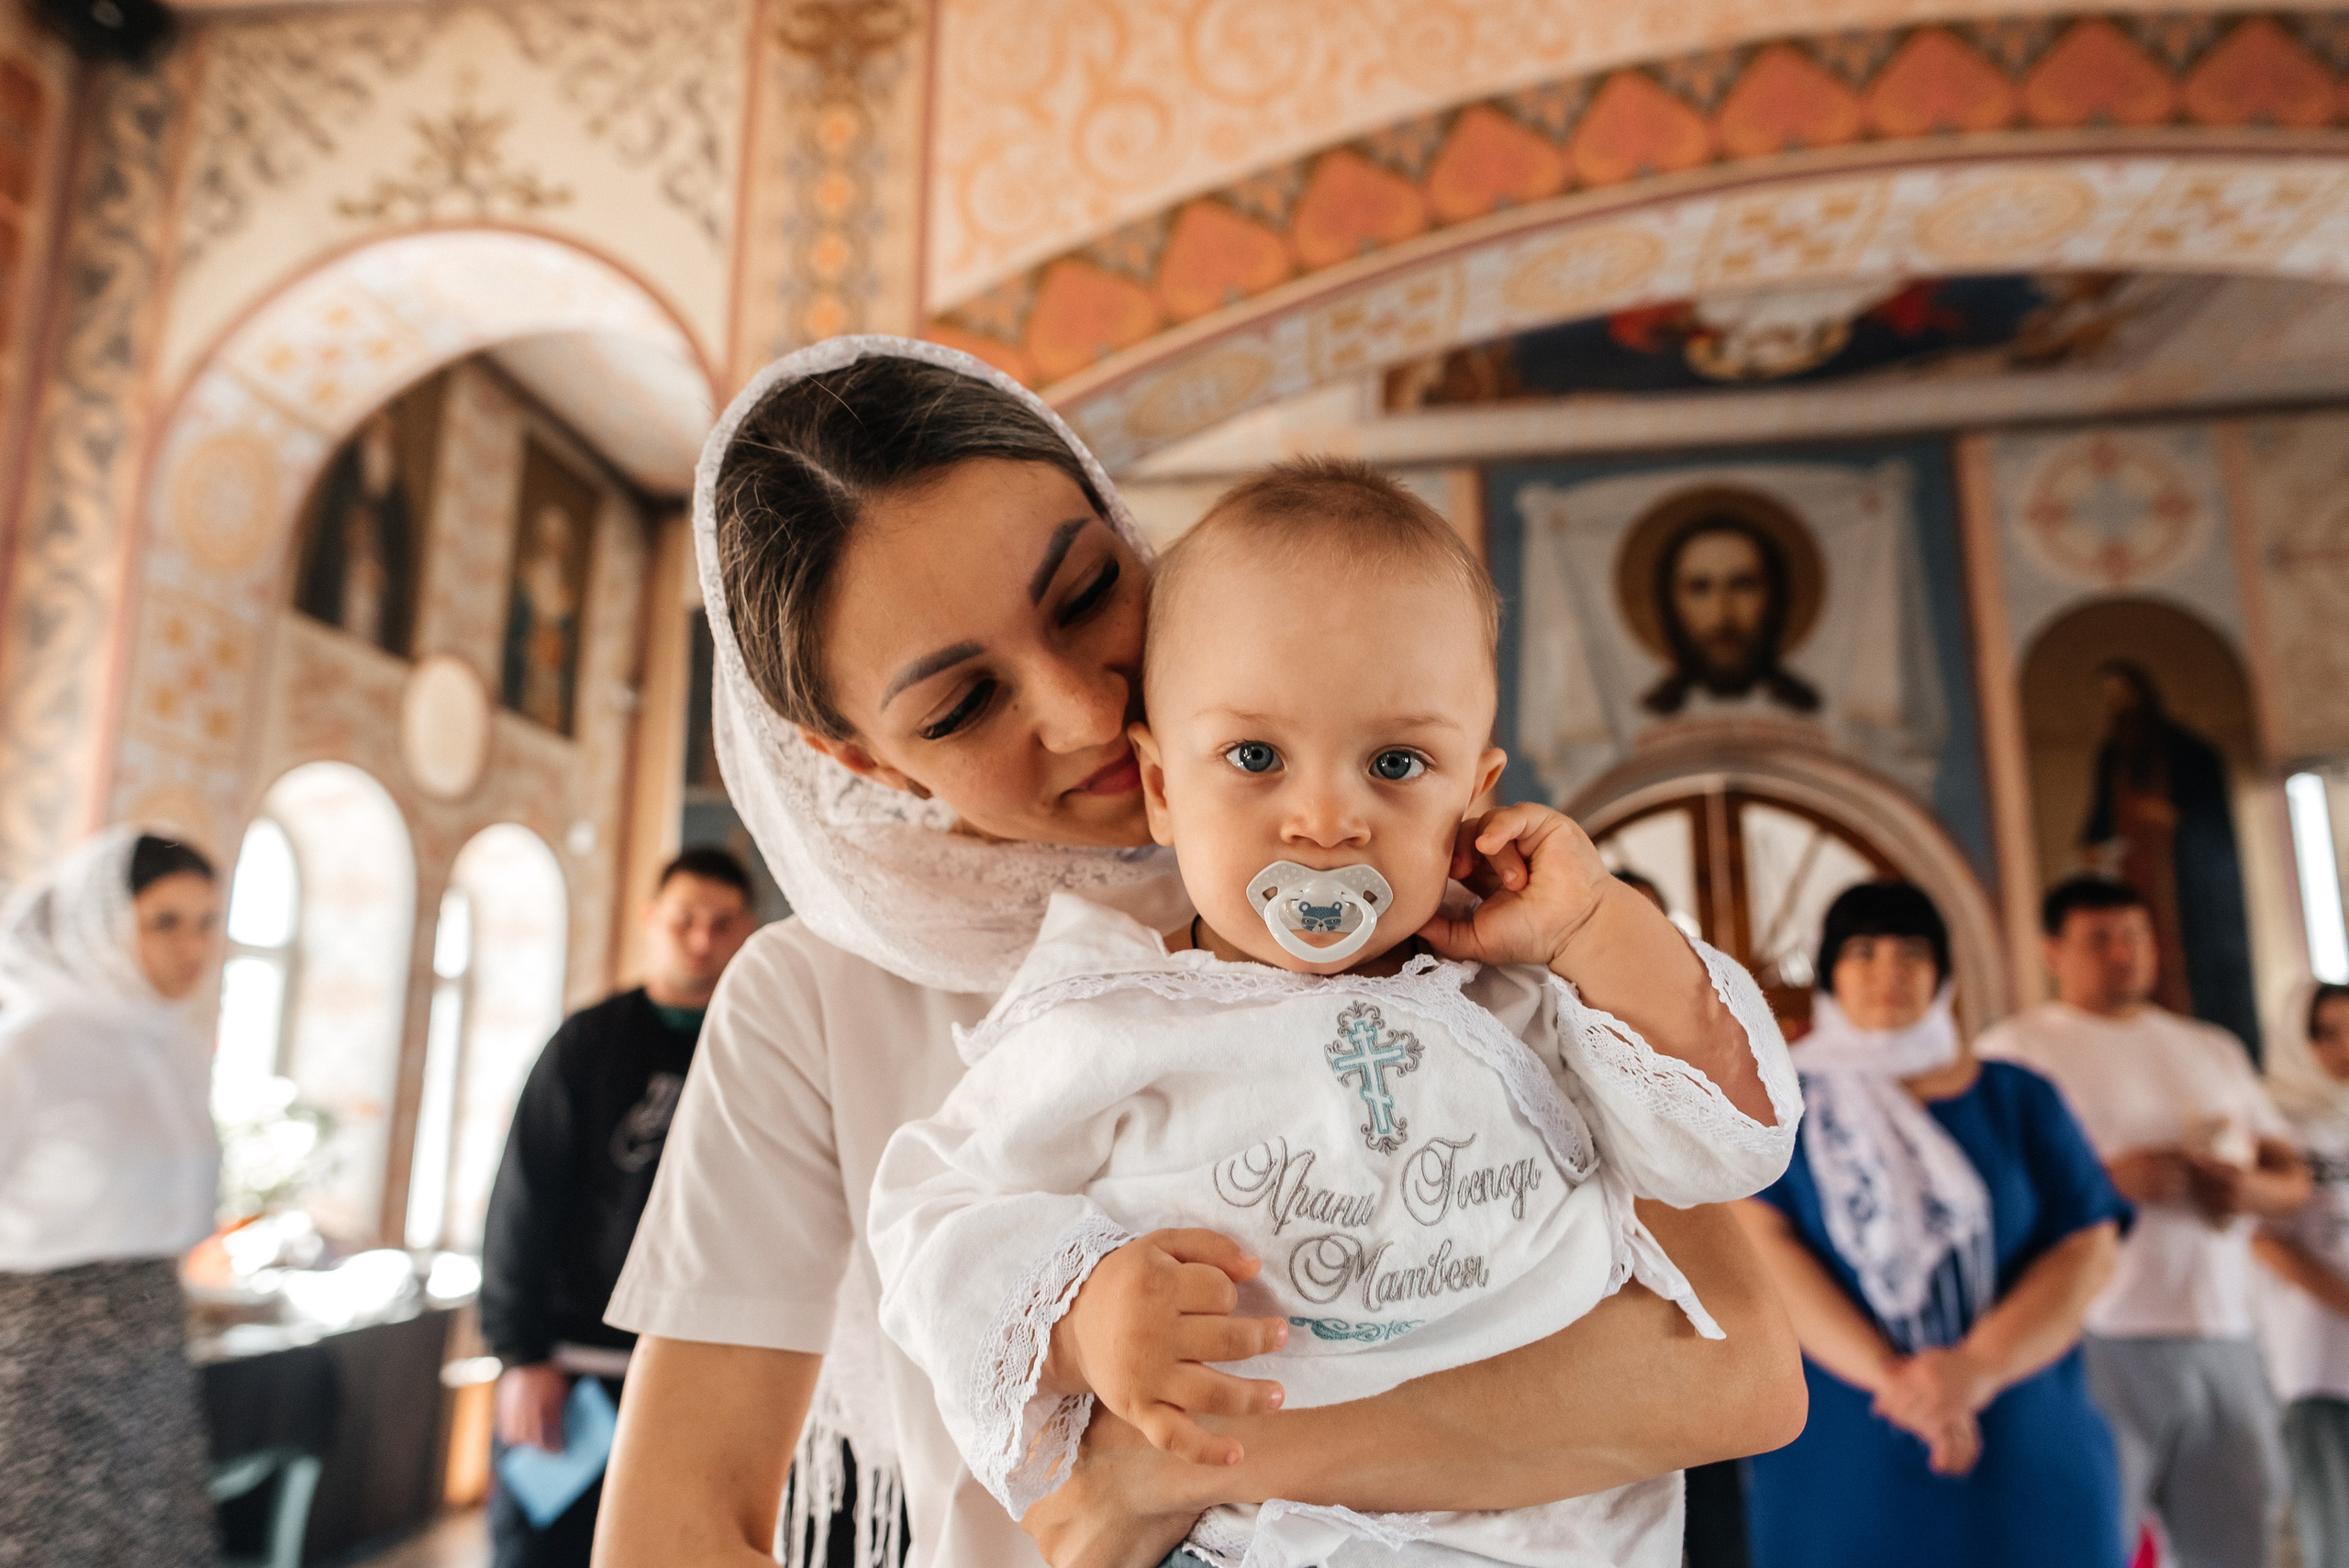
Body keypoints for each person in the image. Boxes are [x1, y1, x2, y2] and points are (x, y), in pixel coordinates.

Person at [596, 339, 1807, 1568]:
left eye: (1083, 592)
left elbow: (1740, 1371)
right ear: (863, 758)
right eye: (962, 704)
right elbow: (668, 1535)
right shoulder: (815, 1005)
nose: (1080, 713)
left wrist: (1165, 1467)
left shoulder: (1451, 899)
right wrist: (1075, 1322)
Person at [870, 462, 1797, 1566]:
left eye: (1395, 762)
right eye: (1255, 756)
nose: (1323, 818)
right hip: (1251, 1546)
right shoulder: (1107, 1013)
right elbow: (933, 1217)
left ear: (1475, 790)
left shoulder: (1526, 994)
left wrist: (1597, 924)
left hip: (1547, 1538)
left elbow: (1728, 1138)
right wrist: (1079, 1311)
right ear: (1163, 788)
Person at [1735, 881, 2129, 1568]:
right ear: (1829, 973)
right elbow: (1764, 1249)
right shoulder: (1780, 1105)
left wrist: (1975, 1368)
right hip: (1847, 1445)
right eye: (1863, 951)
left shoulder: (2017, 1094)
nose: (1889, 970)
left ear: (1943, 973)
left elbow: (2086, 1244)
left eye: (1912, 951)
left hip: (2021, 1424)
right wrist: (1905, 1385)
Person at [1976, 874, 2309, 1568]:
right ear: (2053, 951)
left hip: (2223, 1329)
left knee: (2239, 1541)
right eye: (2100, 938)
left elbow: (2292, 1182)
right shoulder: (2017, 1050)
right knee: (2092, 1538)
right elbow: (1985, 1197)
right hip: (2092, 1331)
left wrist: (2244, 1188)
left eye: (2134, 935)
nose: (2123, 952)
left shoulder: (2209, 1046)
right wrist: (2104, 1184)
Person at [480, 847, 761, 1568]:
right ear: (650, 919)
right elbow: (524, 1197)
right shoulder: (587, 1043)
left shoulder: (764, 1053)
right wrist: (521, 1352)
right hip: (573, 1369)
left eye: (722, 922)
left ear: (748, 929)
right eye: (685, 919)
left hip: (708, 1375)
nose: (702, 938)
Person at [0, 828, 224, 1568]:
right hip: (35, 1349)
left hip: (149, 1339)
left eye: (206, 921)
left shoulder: (177, 1047)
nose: (191, 945)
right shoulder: (32, 1043)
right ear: (103, 920)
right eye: (164, 920)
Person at [2079, 661, 2259, 1054]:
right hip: (2137, 880)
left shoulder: (2189, 751)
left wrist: (2172, 818)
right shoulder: (2115, 754)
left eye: (2125, 697)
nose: (2120, 708)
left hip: (2189, 883)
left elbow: (2212, 819)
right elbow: (2100, 821)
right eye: (2111, 701)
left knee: (2194, 962)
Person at [2253, 980, 2349, 1568]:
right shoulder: (2278, 1122)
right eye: (2328, 1033)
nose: (2344, 1048)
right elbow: (2264, 1239)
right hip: (2318, 1361)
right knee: (2336, 1534)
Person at [1640, 512, 1819, 718]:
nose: (1723, 615)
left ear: (1775, 597)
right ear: (1670, 603)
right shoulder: (1650, 711)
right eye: (1699, 588)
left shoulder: (1805, 709)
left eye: (1743, 586)